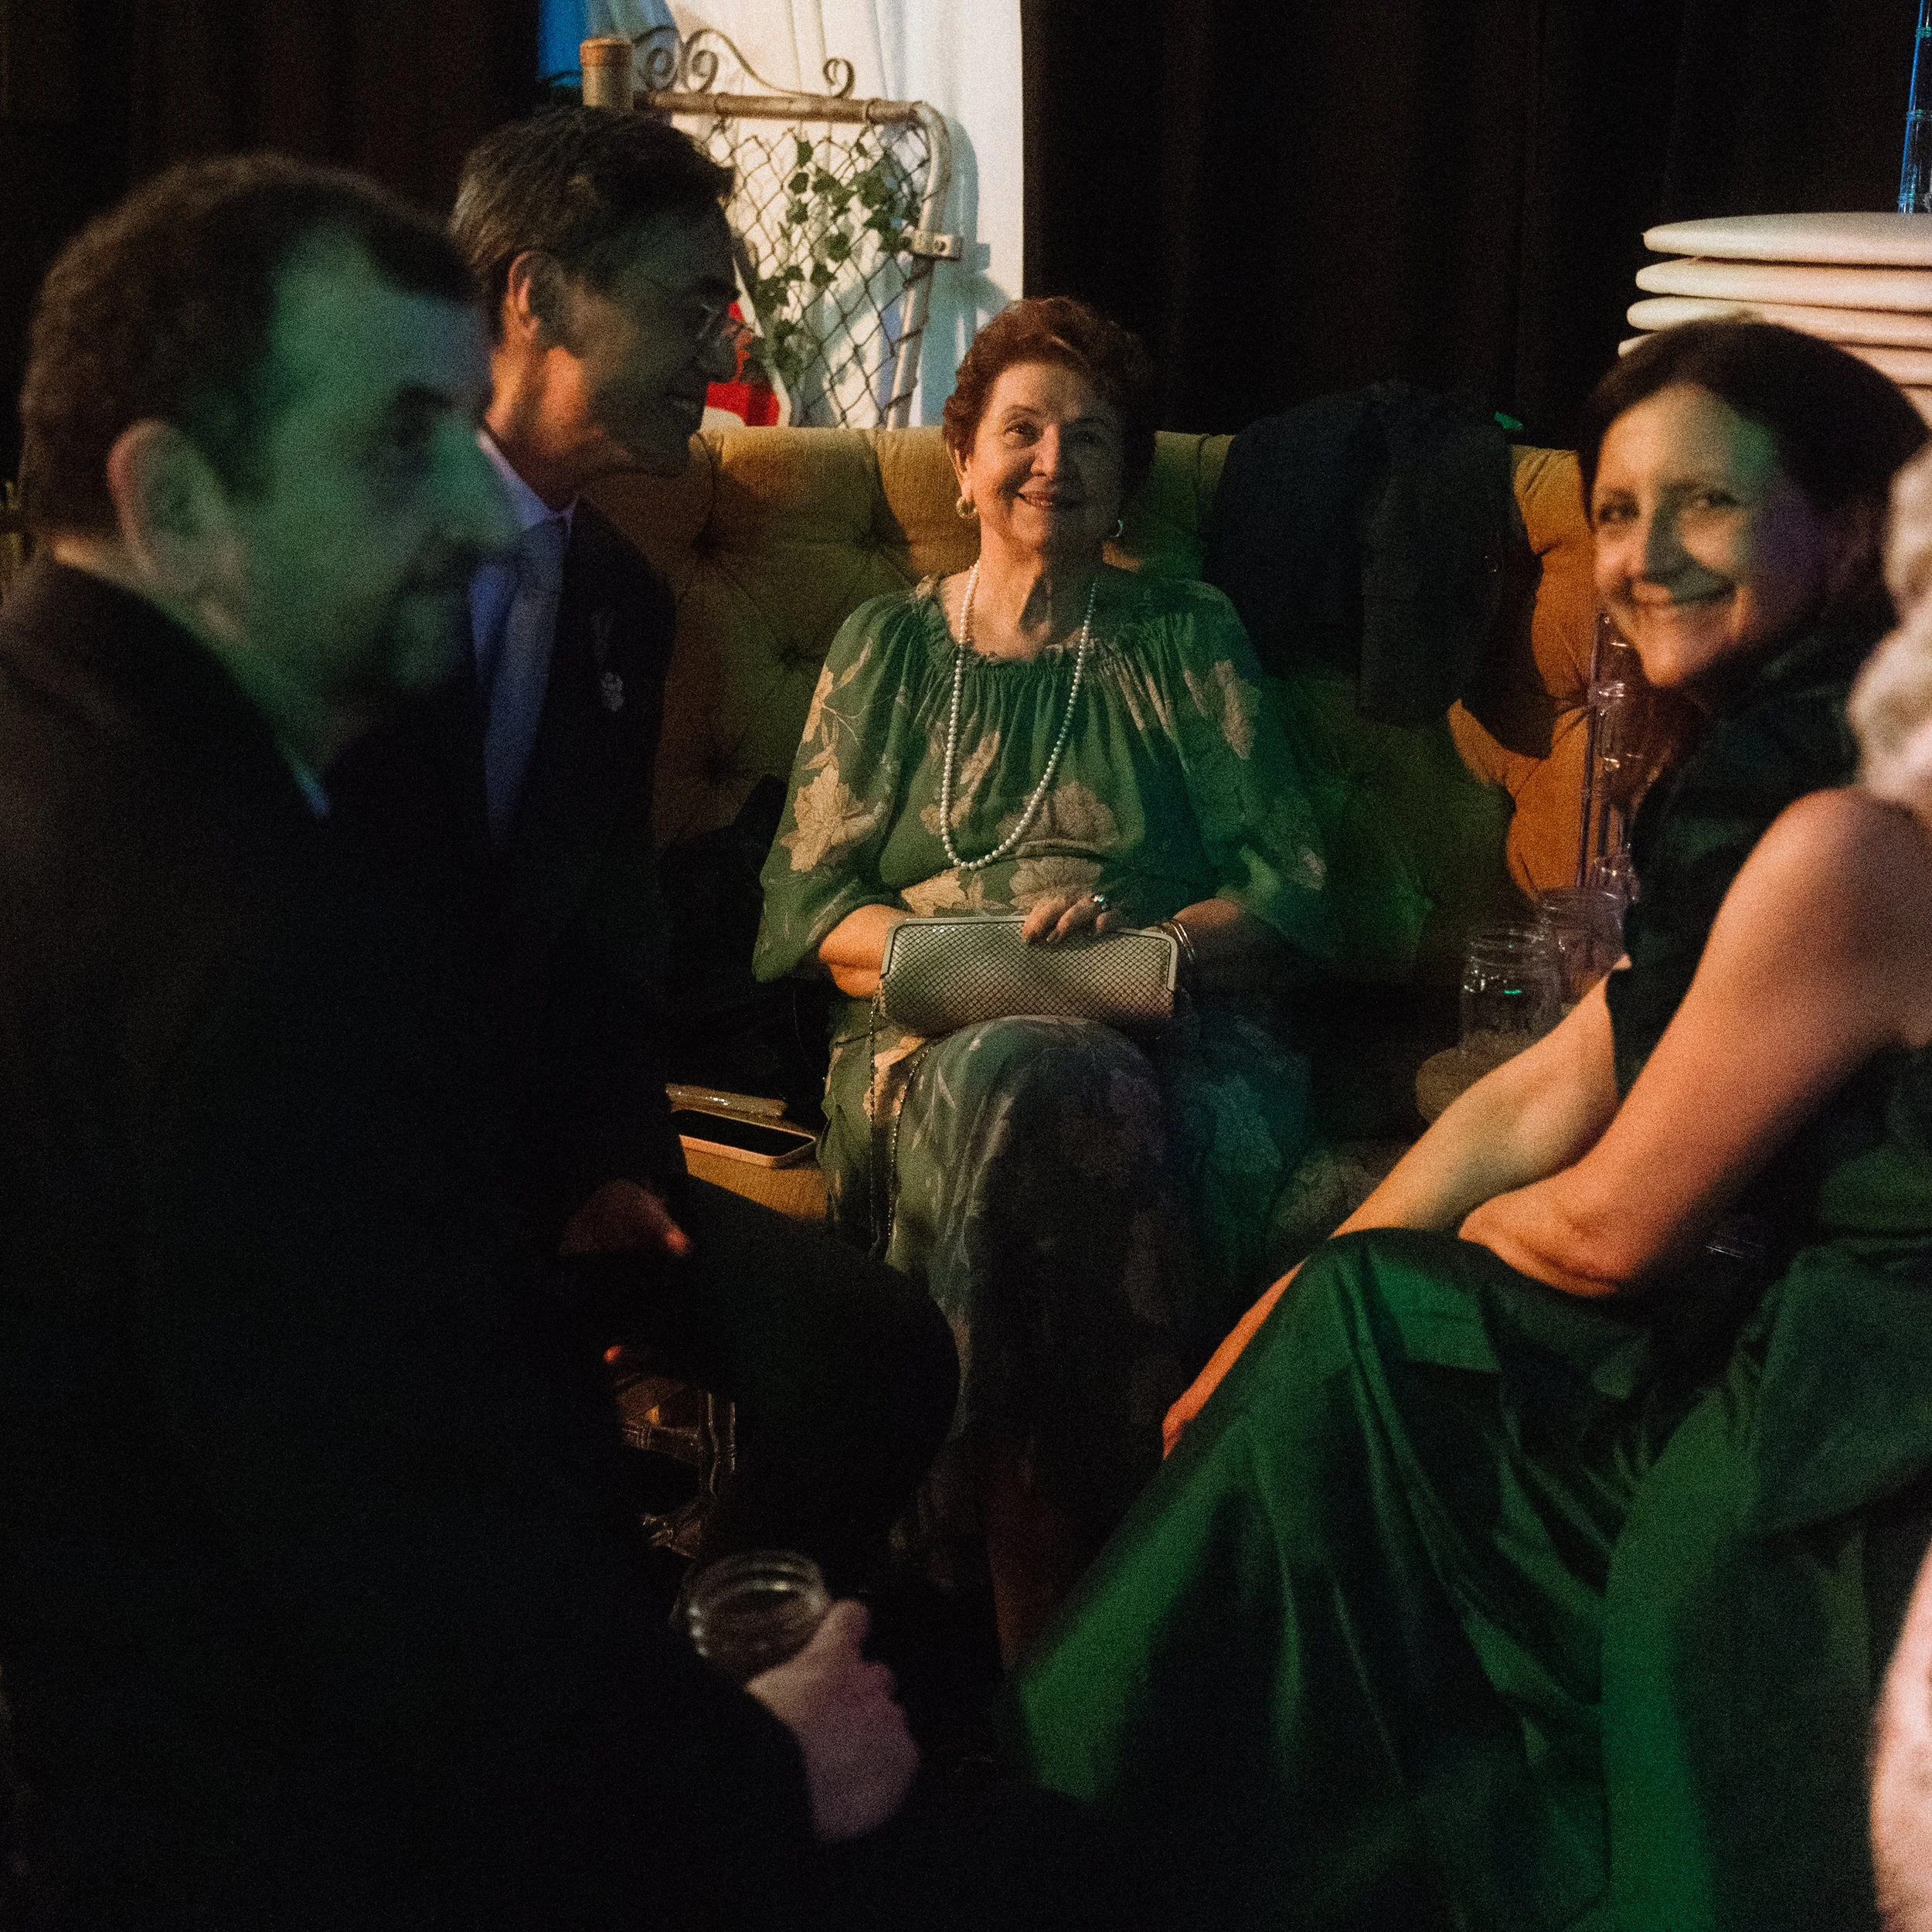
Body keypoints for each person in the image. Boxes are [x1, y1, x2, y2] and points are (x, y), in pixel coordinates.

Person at [0, 154, 917, 1930]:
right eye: (401, 442)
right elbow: (415, 1581)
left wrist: (610, 1166)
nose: (479, 506)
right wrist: (760, 1764)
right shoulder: (252, 951)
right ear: (175, 501)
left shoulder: (67, 744)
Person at [1008, 321, 1931, 1930]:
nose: (1640, 560)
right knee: (1347, 1317)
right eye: (1619, 510)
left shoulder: (1846, 833)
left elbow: (1603, 1223)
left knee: (1376, 1340)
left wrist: (1330, 1320)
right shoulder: (1782, 765)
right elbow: (1557, 1075)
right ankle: (1090, 1834)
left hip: (1856, 1400)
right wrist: (1286, 1312)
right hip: (1802, 1334)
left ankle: (1040, 1838)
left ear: (1846, 530)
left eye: (1703, 504)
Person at [327, 104, 958, 1588]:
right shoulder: (324, 534)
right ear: (536, 294)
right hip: (325, 1177)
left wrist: (615, 1162)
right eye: (690, 304)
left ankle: (709, 1678)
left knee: (878, 1355)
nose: (725, 350)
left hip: (534, 1174)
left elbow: (607, 935)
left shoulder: (617, 595)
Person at [753, 296, 1335, 1658]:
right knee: (1025, 1068)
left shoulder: (1182, 635)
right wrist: (989, 964)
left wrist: (1155, 947)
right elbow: (808, 911)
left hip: (1165, 1020)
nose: (1053, 463)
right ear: (962, 464)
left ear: (1127, 476)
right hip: (927, 1029)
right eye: (1021, 431)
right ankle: (1098, 1622)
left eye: (1091, 438)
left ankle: (980, 1586)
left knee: (1054, 1078)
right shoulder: (885, 647)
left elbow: (1292, 886)